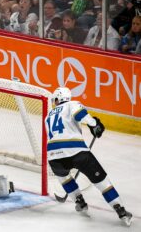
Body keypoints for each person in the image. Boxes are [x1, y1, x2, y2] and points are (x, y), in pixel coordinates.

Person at [45, 87, 133, 226]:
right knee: (101, 181)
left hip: (53, 156)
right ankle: (120, 209)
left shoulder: (48, 115)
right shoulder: (72, 104)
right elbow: (81, 116)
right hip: (76, 152)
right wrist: (94, 125)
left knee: (65, 178)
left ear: (57, 99)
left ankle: (79, 202)